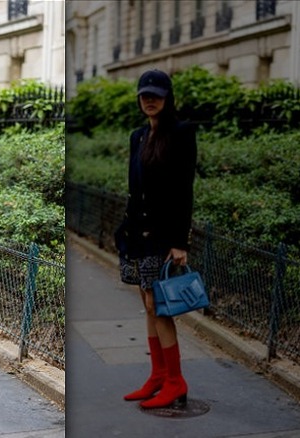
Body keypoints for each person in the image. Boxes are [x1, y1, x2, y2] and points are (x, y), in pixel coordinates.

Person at [116, 69, 197, 409]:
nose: (150, 100)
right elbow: (135, 189)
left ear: (167, 98)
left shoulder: (181, 133)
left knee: (159, 307)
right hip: (137, 235)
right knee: (148, 305)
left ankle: (175, 381)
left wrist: (179, 242)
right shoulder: (138, 136)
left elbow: (184, 190)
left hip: (163, 236)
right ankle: (158, 376)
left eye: (156, 95)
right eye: (144, 95)